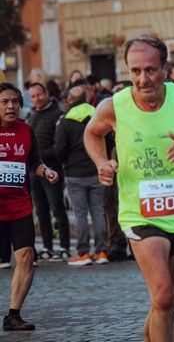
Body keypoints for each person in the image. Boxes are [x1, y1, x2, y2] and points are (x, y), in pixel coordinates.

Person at [84, 35, 174, 341]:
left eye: (150, 70)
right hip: (139, 213)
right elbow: (92, 134)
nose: (142, 79)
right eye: (135, 71)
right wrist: (102, 163)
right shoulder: (115, 105)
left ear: (165, 68)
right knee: (163, 296)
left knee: (169, 304)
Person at [0, 82, 59, 331]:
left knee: (26, 257)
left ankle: (13, 315)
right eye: (5, 102)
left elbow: (34, 160)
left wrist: (45, 171)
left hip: (19, 205)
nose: (11, 106)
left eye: (15, 101)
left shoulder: (26, 130)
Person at [55, 86, 109, 266]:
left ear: (70, 100)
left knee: (80, 214)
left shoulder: (65, 120)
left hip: (75, 172)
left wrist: (64, 161)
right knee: (98, 212)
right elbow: (109, 140)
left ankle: (83, 253)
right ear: (86, 98)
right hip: (96, 168)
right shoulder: (97, 114)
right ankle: (102, 252)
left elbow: (60, 149)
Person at [27, 82, 71, 262]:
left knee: (57, 208)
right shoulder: (33, 116)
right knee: (42, 211)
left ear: (46, 93)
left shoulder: (58, 114)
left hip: (52, 169)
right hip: (33, 172)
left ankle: (65, 246)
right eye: (33, 97)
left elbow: (60, 147)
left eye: (39, 95)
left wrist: (38, 157)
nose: (37, 99)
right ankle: (47, 247)